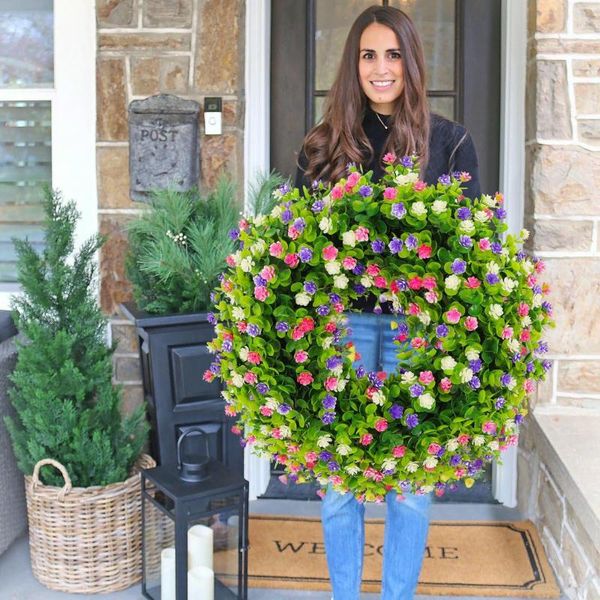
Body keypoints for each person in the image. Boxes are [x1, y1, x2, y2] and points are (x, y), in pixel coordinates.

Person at [294, 5, 481, 600]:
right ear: (354, 65)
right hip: (341, 327)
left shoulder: (449, 143)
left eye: (393, 55)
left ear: (411, 63)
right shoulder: (323, 147)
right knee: (339, 484)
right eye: (368, 55)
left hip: (416, 333)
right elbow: (298, 248)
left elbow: (469, 248)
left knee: (412, 483)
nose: (381, 68)